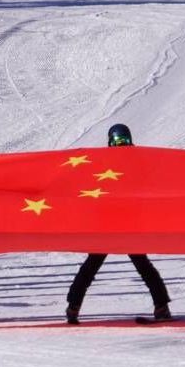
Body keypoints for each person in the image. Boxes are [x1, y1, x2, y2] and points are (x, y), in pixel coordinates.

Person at [66, 124, 172, 323]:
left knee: (142, 265)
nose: (121, 145)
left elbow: (148, 186)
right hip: (107, 225)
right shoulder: (102, 163)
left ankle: (161, 306)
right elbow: (89, 188)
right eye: (118, 141)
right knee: (92, 266)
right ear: (111, 142)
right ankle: (73, 306)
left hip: (128, 225)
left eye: (124, 141)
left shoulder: (137, 162)